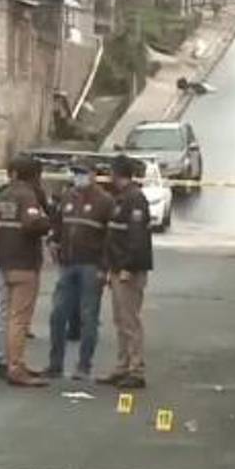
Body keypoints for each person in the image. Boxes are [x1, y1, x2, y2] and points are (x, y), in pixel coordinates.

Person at [45, 161, 115, 380]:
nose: (79, 177)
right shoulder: (67, 197)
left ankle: (84, 365)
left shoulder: (104, 201)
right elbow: (58, 226)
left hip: (91, 266)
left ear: (94, 175)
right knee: (58, 315)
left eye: (83, 173)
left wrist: (104, 268)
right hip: (68, 264)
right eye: (76, 173)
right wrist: (54, 242)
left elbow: (110, 239)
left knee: (88, 317)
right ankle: (55, 364)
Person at [0, 154, 52, 387]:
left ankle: (6, 360)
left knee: (5, 315)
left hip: (3, 259)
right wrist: (47, 221)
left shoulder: (3, 193)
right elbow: (32, 224)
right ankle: (16, 366)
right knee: (20, 318)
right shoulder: (28, 195)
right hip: (24, 261)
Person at [99, 155, 154, 388]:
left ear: (117, 173)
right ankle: (122, 366)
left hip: (128, 269)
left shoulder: (135, 199)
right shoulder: (120, 199)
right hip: (116, 267)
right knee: (120, 320)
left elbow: (137, 237)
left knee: (130, 320)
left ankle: (136, 369)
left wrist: (128, 268)